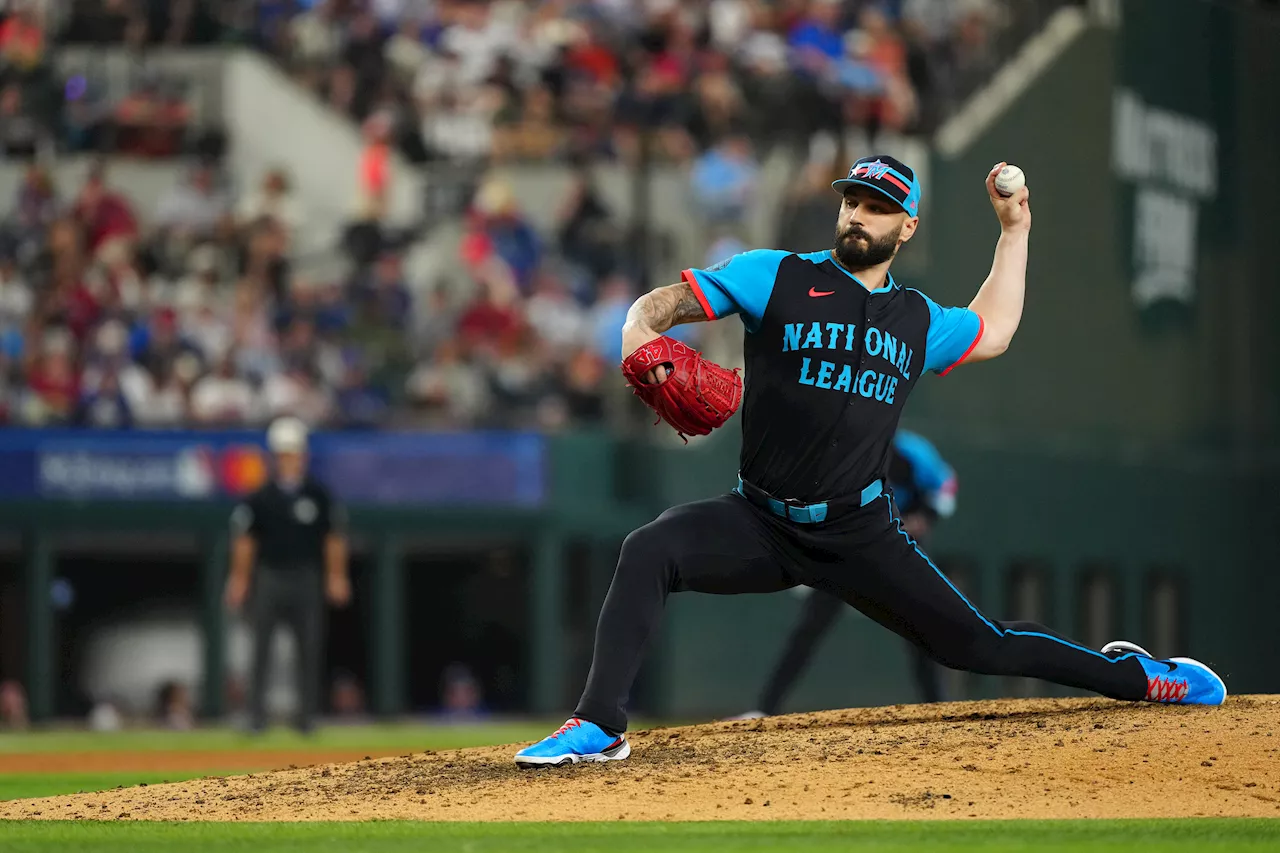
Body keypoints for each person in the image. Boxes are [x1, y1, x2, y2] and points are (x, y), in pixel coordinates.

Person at [513, 155, 1226, 767]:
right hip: (759, 520)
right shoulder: (776, 276)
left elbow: (997, 328)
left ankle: (1142, 677)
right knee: (649, 548)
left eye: (879, 207)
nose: (859, 215)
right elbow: (669, 302)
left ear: (906, 227)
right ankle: (603, 724)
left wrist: (1016, 231)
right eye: (853, 200)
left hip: (860, 533)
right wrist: (639, 327)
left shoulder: (915, 319)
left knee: (981, 644)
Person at [736, 429, 958, 719]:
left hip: (899, 546)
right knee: (808, 628)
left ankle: (938, 709)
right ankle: (764, 708)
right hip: (850, 548)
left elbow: (946, 485)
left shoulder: (910, 452)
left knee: (922, 628)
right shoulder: (844, 452)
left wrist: (926, 515)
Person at [225, 416, 351, 733]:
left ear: (303, 456)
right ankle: (256, 718)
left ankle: (306, 719)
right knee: (261, 649)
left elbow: (333, 538)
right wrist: (239, 580)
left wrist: (336, 576)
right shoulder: (261, 497)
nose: (290, 461)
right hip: (269, 576)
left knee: (308, 648)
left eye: (294, 453)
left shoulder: (318, 494)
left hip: (306, 575)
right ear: (274, 457)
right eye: (284, 454)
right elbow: (245, 541)